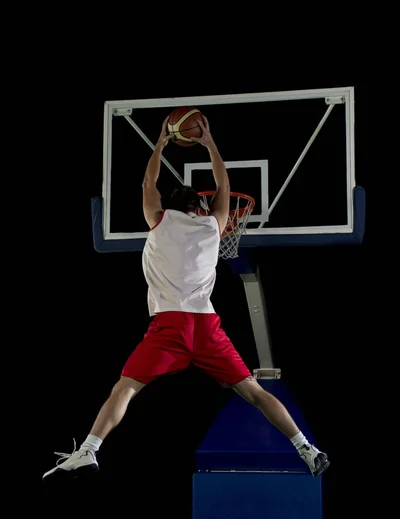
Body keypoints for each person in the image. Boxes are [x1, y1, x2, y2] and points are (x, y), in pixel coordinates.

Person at [43, 117, 329, 480]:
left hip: (170, 325)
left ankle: (89, 450)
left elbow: (149, 182)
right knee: (254, 392)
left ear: (171, 207)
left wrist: (161, 144)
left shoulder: (159, 220)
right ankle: (307, 447)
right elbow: (224, 183)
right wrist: (209, 143)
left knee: (125, 388)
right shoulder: (213, 225)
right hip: (207, 326)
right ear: (201, 206)